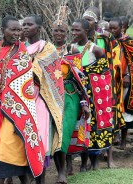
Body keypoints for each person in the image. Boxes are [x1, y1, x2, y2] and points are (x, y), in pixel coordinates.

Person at [0, 15, 45, 184]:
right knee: (3, 147)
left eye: (19, 29)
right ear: (3, 31)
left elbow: (23, 85)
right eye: (13, 29)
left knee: (11, 147)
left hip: (16, 110)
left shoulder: (21, 52)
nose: (17, 33)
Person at [22, 15, 65, 184]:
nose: (25, 27)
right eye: (23, 25)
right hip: (21, 101)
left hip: (41, 100)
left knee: (40, 137)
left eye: (29, 25)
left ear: (39, 28)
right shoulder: (18, 48)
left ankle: (40, 178)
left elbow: (50, 75)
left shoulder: (48, 49)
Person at [83, 6, 125, 168]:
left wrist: (113, 78)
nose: (87, 23)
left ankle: (109, 158)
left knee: (108, 118)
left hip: (106, 85)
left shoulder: (106, 38)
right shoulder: (79, 39)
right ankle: (88, 158)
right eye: (84, 19)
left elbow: (117, 59)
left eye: (90, 19)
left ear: (96, 21)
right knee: (88, 121)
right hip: (86, 85)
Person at [71, 18, 113, 171]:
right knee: (79, 124)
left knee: (93, 125)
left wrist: (88, 78)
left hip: (93, 95)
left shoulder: (95, 49)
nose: (74, 33)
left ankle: (94, 162)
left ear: (86, 32)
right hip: (75, 92)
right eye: (72, 30)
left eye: (78, 30)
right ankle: (82, 161)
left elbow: (104, 74)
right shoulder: (70, 48)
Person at [52, 20, 91, 183]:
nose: (59, 34)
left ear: (66, 33)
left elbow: (80, 78)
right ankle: (61, 169)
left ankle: (63, 171)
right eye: (56, 31)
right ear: (51, 31)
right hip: (51, 96)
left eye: (62, 31)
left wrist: (84, 103)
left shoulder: (72, 50)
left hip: (70, 95)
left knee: (65, 131)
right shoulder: (46, 50)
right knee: (53, 133)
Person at [109, 17, 133, 150]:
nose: (112, 31)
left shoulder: (127, 41)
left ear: (123, 28)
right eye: (110, 28)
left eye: (115, 28)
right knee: (113, 107)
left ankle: (123, 140)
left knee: (125, 110)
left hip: (125, 80)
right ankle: (113, 137)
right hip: (112, 80)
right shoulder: (108, 41)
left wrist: (127, 74)